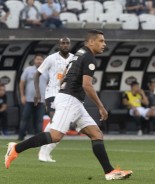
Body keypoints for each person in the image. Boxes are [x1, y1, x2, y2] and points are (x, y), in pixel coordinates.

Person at [5, 30, 133, 181]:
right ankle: (15, 148)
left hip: (73, 100)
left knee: (96, 134)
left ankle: (109, 172)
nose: (104, 44)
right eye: (101, 41)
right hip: (69, 100)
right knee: (55, 136)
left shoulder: (79, 53)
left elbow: (65, 72)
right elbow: (87, 85)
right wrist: (101, 106)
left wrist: (63, 87)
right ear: (91, 42)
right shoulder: (89, 57)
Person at [34, 37, 73, 162]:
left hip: (66, 95)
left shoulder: (74, 58)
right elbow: (37, 74)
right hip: (52, 93)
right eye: (63, 43)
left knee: (60, 125)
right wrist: (38, 93)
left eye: (67, 43)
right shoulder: (51, 58)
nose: (65, 45)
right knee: (55, 122)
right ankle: (43, 153)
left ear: (70, 45)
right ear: (59, 45)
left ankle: (44, 151)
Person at [18, 54, 48, 141]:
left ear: (43, 61)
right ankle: (20, 136)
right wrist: (22, 95)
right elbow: (22, 83)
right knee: (24, 118)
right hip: (29, 99)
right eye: (37, 59)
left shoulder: (46, 71)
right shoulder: (28, 70)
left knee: (39, 120)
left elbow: (49, 84)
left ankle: (37, 138)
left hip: (41, 100)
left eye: (41, 59)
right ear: (34, 60)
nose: (39, 61)